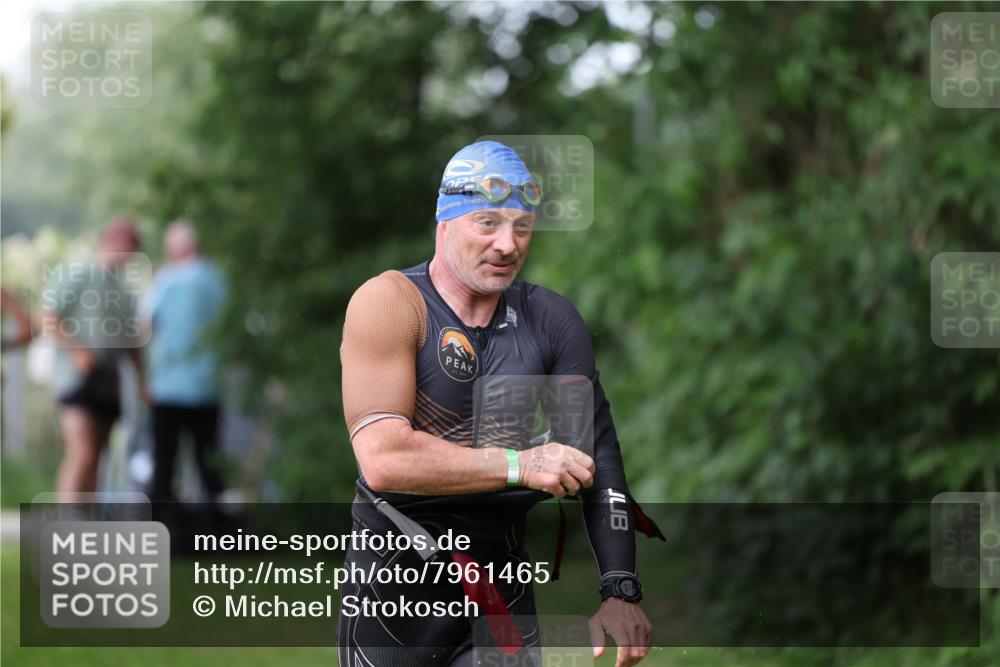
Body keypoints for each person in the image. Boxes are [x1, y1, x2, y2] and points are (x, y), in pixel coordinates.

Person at [339, 141, 662, 667]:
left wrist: (619, 589)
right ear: (445, 224)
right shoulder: (392, 303)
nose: (507, 244)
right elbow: (384, 459)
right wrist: (523, 463)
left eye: (522, 226)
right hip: (395, 597)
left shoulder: (550, 321)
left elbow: (596, 458)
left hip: (501, 593)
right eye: (487, 223)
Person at [41, 217, 146, 493]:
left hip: (108, 380)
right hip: (76, 378)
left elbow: (133, 343)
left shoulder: (125, 293)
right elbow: (47, 316)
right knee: (83, 452)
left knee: (98, 457)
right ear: (109, 243)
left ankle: (84, 525)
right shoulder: (77, 273)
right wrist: (77, 350)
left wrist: (143, 383)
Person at [141, 219, 228, 502]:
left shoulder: (167, 280)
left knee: (164, 462)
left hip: (169, 386)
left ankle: (163, 528)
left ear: (174, 249)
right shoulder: (217, 280)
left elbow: (144, 324)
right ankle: (216, 533)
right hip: (207, 385)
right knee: (208, 463)